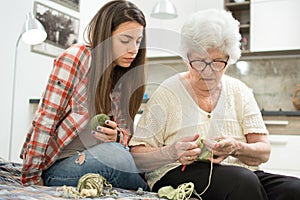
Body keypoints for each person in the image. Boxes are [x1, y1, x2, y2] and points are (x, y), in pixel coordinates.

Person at [129, 9, 300, 199]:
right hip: (178, 172)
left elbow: (263, 151)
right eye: (200, 61)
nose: (208, 71)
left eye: (218, 62)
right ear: (187, 59)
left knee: (294, 189)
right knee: (242, 181)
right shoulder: (168, 92)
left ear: (229, 59)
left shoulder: (239, 91)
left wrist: (236, 147)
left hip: (240, 172)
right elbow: (137, 156)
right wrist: (172, 151)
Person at [20, 0, 149, 191]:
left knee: (128, 156)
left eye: (138, 41)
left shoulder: (123, 75)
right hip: (59, 166)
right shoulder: (76, 57)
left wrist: (116, 135)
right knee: (117, 157)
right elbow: (45, 120)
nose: (133, 49)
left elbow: (125, 136)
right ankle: (149, 191)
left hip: (98, 157)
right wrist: (31, 178)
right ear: (105, 35)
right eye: (125, 40)